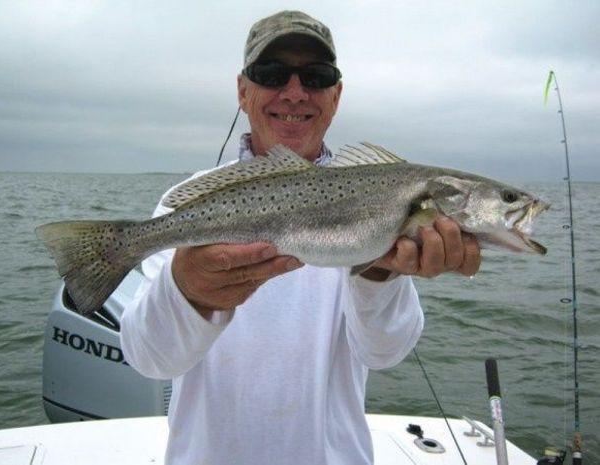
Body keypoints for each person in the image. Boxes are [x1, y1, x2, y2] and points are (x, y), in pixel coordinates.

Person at [120, 10, 481, 465]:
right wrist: (188, 290)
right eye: (271, 74)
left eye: (316, 76)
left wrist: (378, 275)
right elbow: (147, 358)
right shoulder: (184, 201)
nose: (295, 93)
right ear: (243, 90)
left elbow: (385, 352)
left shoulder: (378, 201)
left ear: (337, 95)